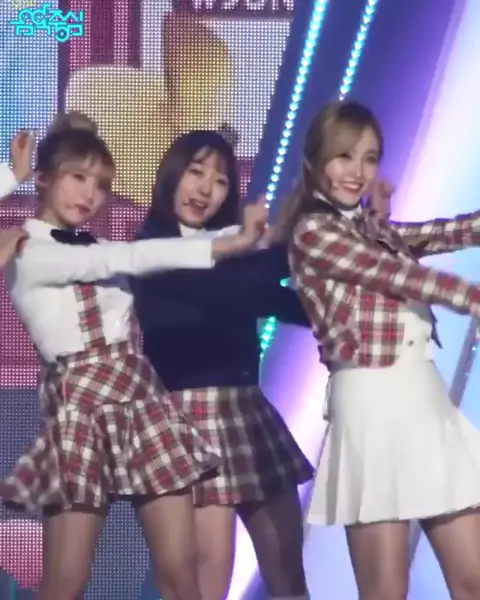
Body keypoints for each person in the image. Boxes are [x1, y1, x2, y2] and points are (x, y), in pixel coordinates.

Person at [0, 115, 267, 600]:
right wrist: (8, 176)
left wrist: (254, 236)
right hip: (80, 406)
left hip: (142, 401)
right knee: (66, 581)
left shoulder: (104, 244)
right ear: (44, 179)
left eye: (101, 185)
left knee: (181, 571)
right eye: (78, 178)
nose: (90, 194)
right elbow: (128, 258)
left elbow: (163, 249)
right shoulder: (26, 250)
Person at [282, 99, 480, 600]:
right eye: (344, 156)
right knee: (385, 591)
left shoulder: (370, 228)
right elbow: (394, 275)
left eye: (369, 158)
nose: (358, 171)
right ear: (314, 161)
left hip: (424, 397)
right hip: (371, 405)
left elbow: (442, 232)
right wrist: (473, 297)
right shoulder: (312, 232)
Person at [133, 129, 314, 600]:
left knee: (288, 572)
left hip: (248, 414)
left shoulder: (231, 245)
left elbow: (268, 269)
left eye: (220, 181)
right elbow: (245, 292)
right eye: (196, 172)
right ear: (172, 175)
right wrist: (318, 310)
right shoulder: (150, 247)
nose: (205, 189)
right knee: (209, 578)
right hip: (188, 422)